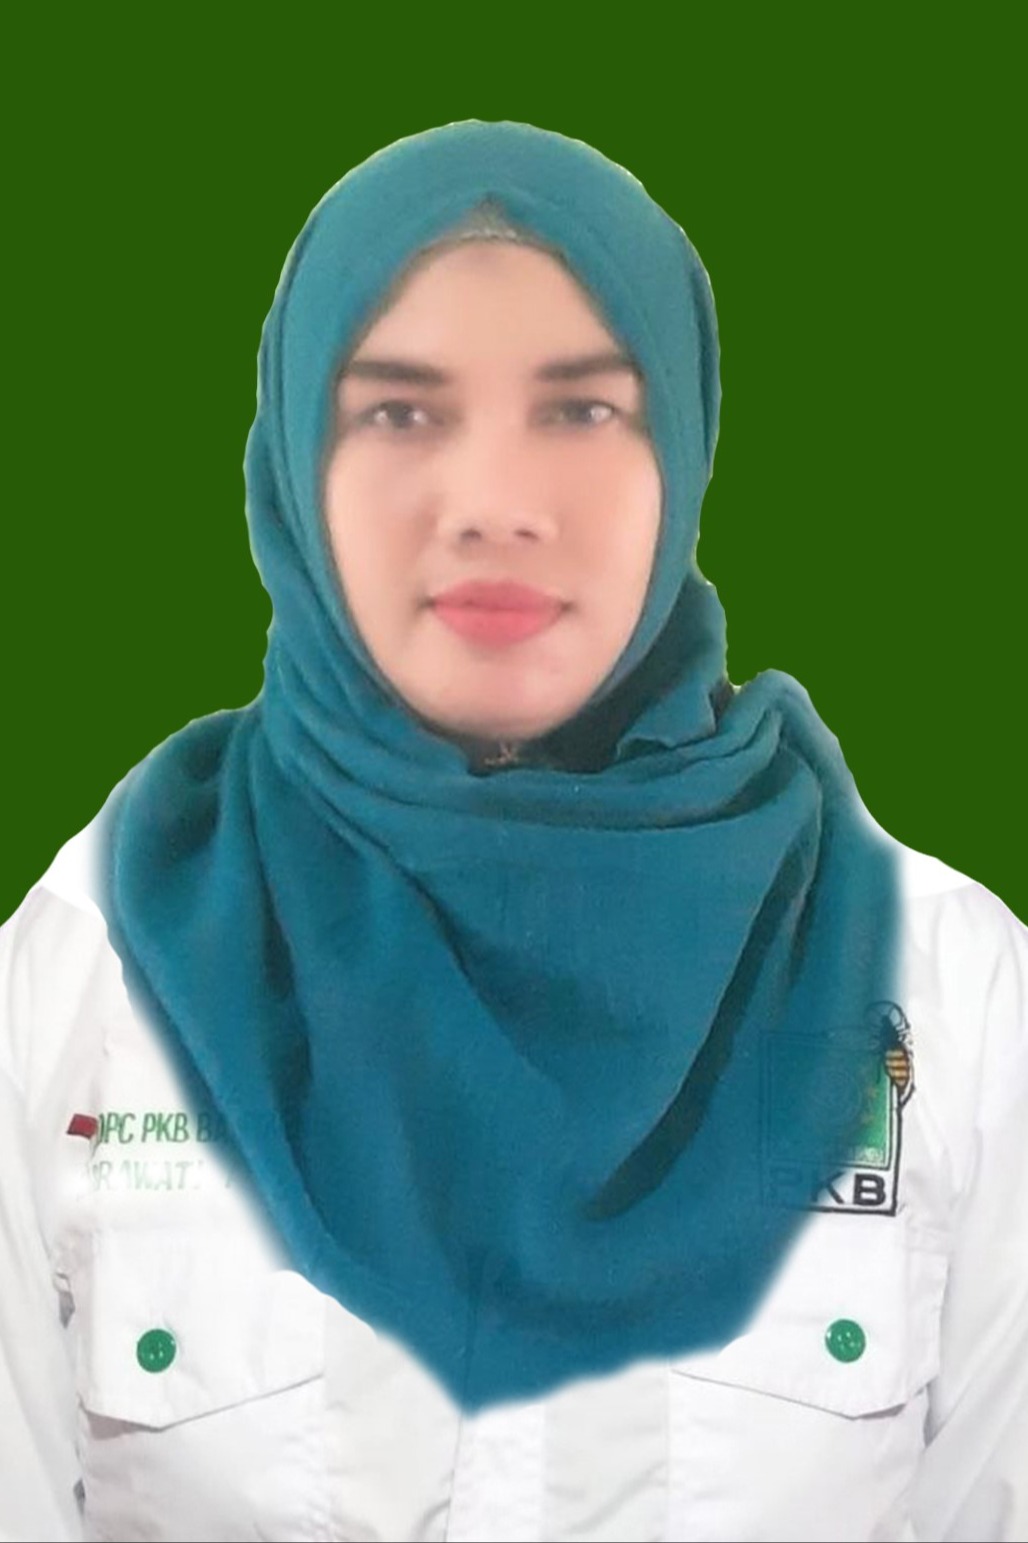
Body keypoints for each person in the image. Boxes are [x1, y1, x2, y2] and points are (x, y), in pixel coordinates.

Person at [1, 119, 1025, 1543]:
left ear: (685, 445)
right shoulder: (94, 975)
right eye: (399, 412)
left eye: (584, 410)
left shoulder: (945, 993)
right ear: (296, 458)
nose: (494, 506)